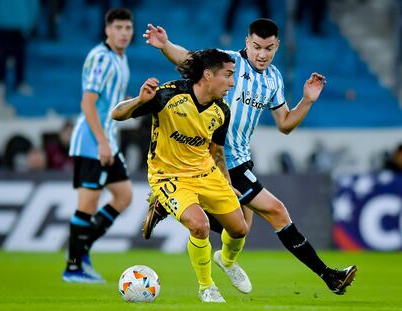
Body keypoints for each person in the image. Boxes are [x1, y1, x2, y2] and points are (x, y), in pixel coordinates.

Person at [142, 18, 357, 295]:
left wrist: (307, 100)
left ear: (277, 46)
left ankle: (222, 256)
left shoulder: (274, 79)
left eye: (268, 48)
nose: (262, 54)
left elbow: (285, 124)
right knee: (276, 211)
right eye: (256, 47)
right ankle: (329, 276)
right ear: (247, 43)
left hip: (241, 159)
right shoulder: (229, 62)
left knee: (242, 225)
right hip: (214, 156)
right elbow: (188, 60)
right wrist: (165, 45)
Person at [112, 49, 251, 302]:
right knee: (200, 226)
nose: (232, 82)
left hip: (206, 172)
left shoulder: (222, 110)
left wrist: (227, 184)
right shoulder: (168, 95)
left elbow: (217, 150)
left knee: (240, 229)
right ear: (208, 75)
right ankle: (206, 287)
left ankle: (227, 261)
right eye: (228, 75)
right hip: (169, 176)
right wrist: (139, 101)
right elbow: (116, 114)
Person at [62, 8, 134, 283]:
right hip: (92, 142)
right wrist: (102, 143)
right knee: (88, 204)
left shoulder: (120, 58)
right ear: (107, 30)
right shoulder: (102, 58)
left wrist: (137, 102)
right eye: (119, 28)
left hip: (107, 140)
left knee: (124, 196)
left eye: (128, 28)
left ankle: (82, 251)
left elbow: (111, 99)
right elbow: (87, 103)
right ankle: (73, 266)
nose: (124, 33)